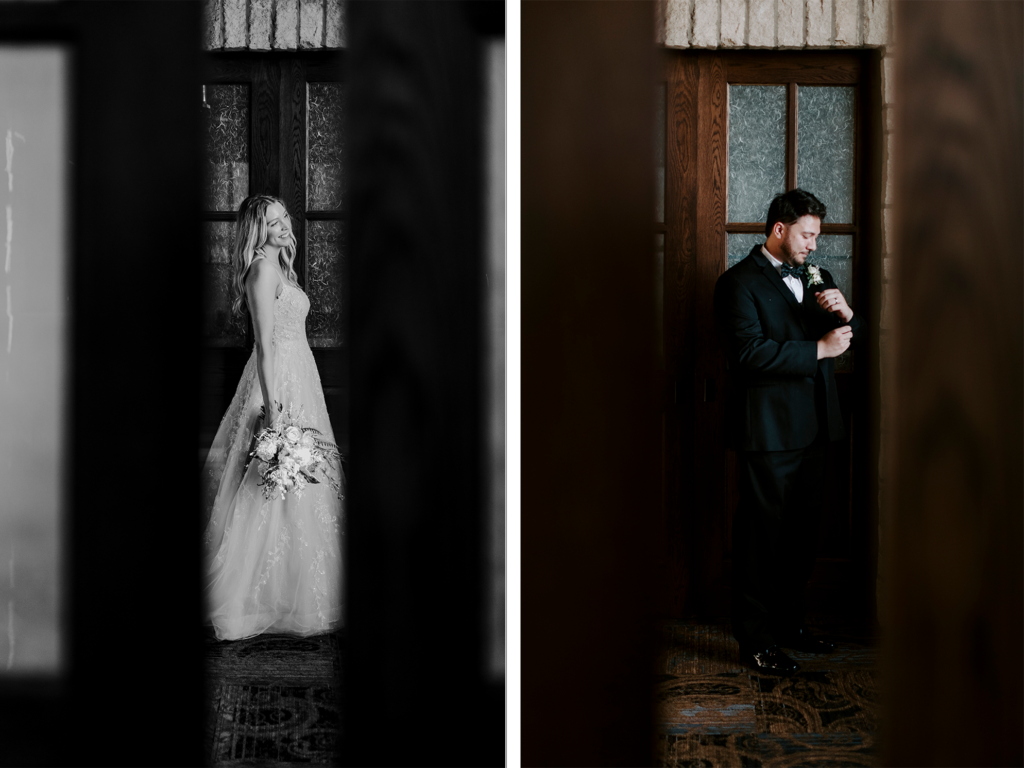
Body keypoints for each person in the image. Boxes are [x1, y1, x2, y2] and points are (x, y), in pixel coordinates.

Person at [713, 188, 865, 675]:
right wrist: (819, 350)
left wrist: (849, 317)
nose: (814, 246)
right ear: (779, 230)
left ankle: (790, 625)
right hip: (771, 432)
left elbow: (846, 336)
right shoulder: (737, 284)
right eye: (807, 235)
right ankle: (755, 640)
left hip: (817, 427)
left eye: (817, 235)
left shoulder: (817, 275)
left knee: (802, 538)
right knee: (761, 539)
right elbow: (748, 355)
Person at [202, 194, 344, 641]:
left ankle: (295, 585)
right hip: (279, 381)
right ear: (257, 231)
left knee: (299, 483)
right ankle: (254, 592)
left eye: (284, 219)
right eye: (274, 223)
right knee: (269, 479)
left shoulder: (281, 266)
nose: (285, 228)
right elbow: (264, 344)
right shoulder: (262, 269)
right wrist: (274, 407)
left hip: (302, 375)